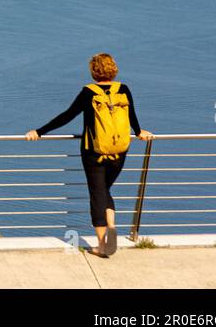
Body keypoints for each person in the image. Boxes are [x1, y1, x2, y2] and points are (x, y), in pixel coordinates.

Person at [25, 52, 153, 257]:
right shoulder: (123, 89)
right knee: (104, 190)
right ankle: (111, 223)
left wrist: (39, 132)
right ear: (113, 69)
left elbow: (67, 116)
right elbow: (131, 116)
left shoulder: (89, 92)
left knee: (97, 194)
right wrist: (139, 132)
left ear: (94, 71)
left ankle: (102, 245)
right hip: (120, 150)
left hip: (94, 152)